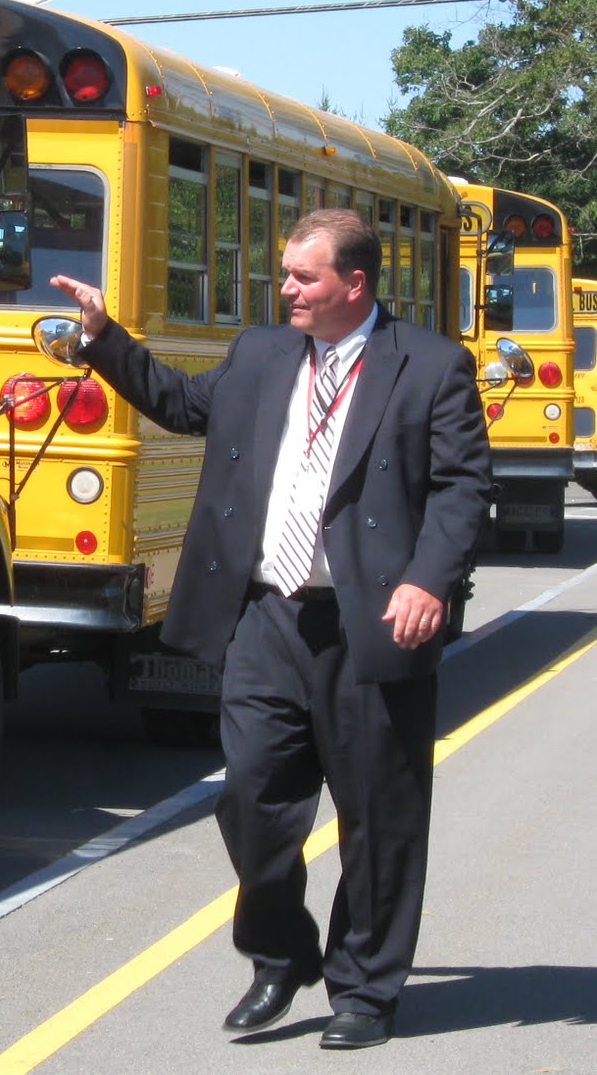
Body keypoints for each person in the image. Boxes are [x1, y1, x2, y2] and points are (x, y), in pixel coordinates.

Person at [51, 207, 490, 1050]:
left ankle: (365, 987)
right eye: (285, 273)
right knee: (252, 797)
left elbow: (464, 487)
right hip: (266, 616)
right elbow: (180, 405)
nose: (285, 289)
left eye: (303, 277)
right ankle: (281, 954)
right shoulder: (261, 354)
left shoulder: (430, 367)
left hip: (371, 622)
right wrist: (105, 338)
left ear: (352, 284)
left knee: (378, 815)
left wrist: (430, 580)